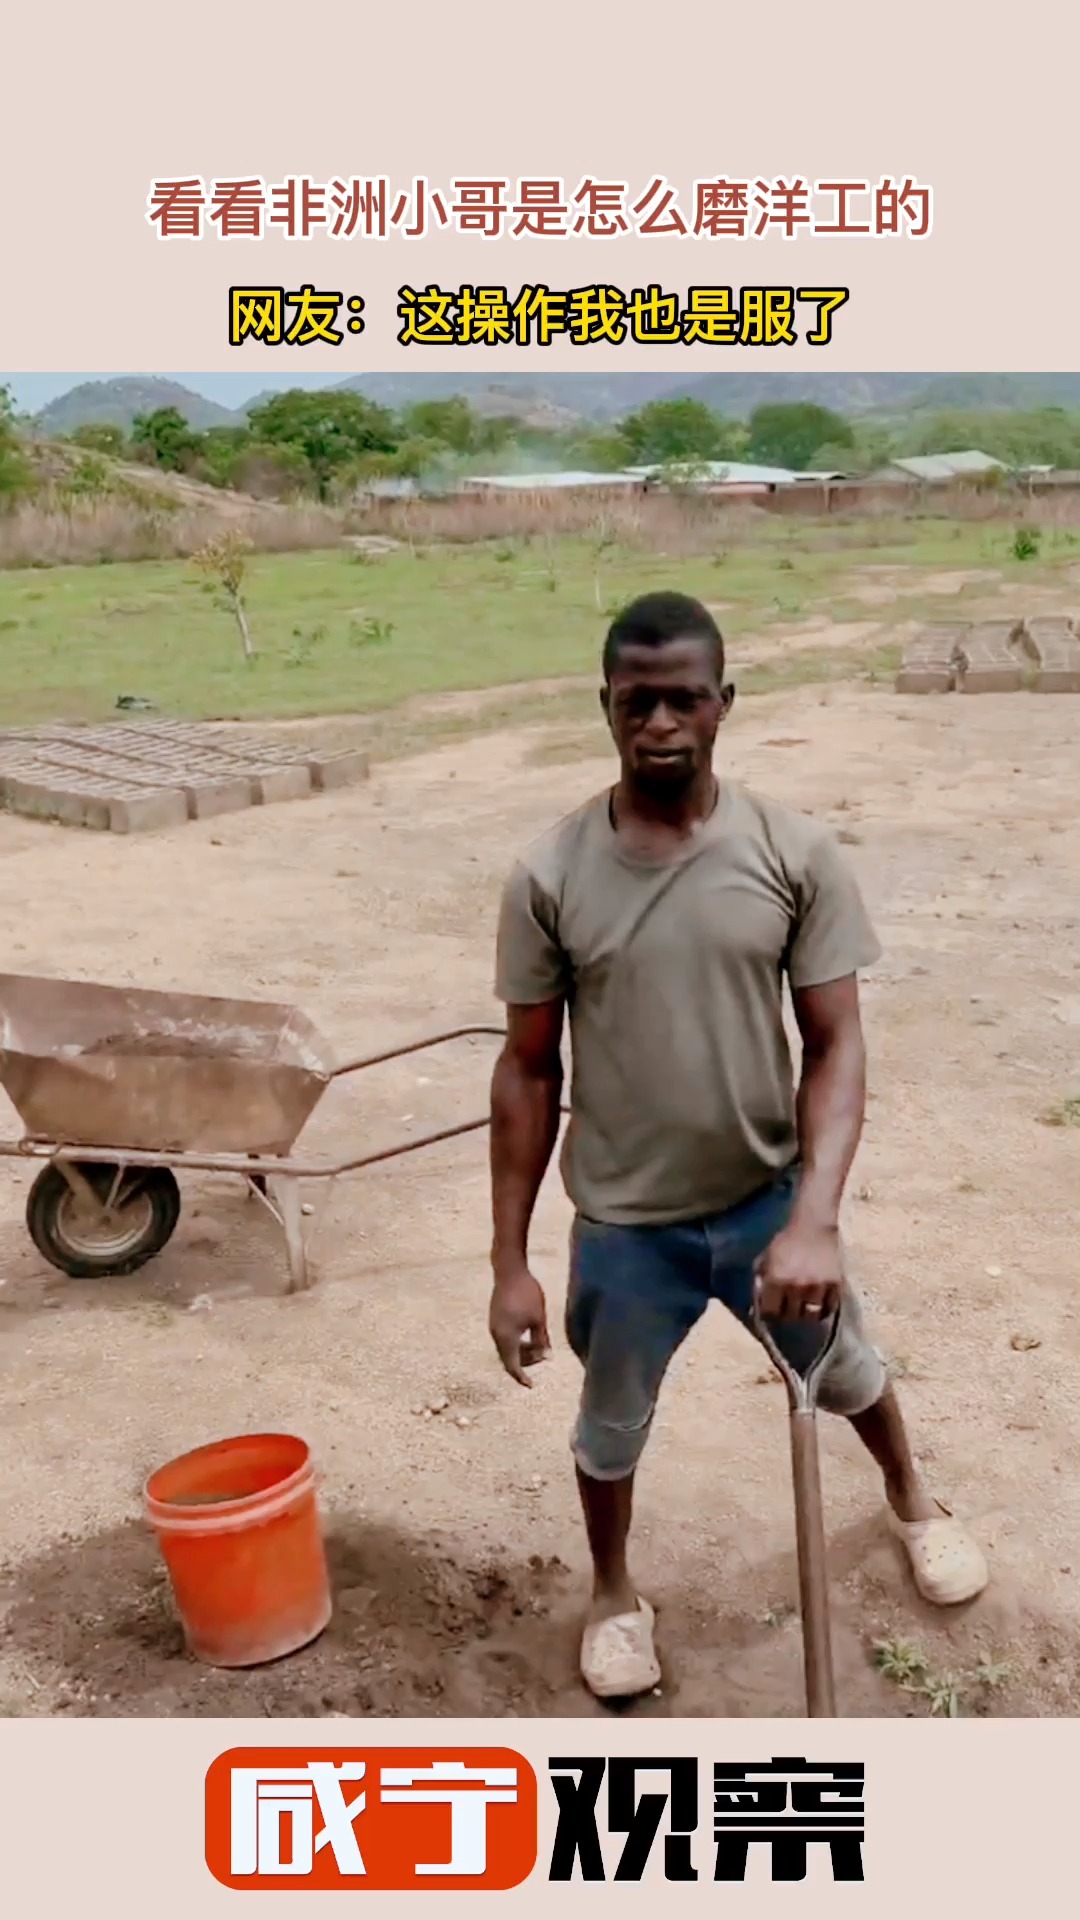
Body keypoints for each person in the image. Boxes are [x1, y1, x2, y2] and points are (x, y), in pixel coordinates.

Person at [487, 590, 988, 1701]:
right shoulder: (550, 874)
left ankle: (913, 1503)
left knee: (848, 1372)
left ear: (725, 703)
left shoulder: (791, 851)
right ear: (606, 706)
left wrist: (815, 1219)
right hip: (626, 1227)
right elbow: (526, 1070)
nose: (660, 723)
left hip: (768, 1204)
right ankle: (614, 1594)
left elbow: (836, 1044)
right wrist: (509, 1261)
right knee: (609, 1428)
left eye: (684, 699)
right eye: (637, 702)